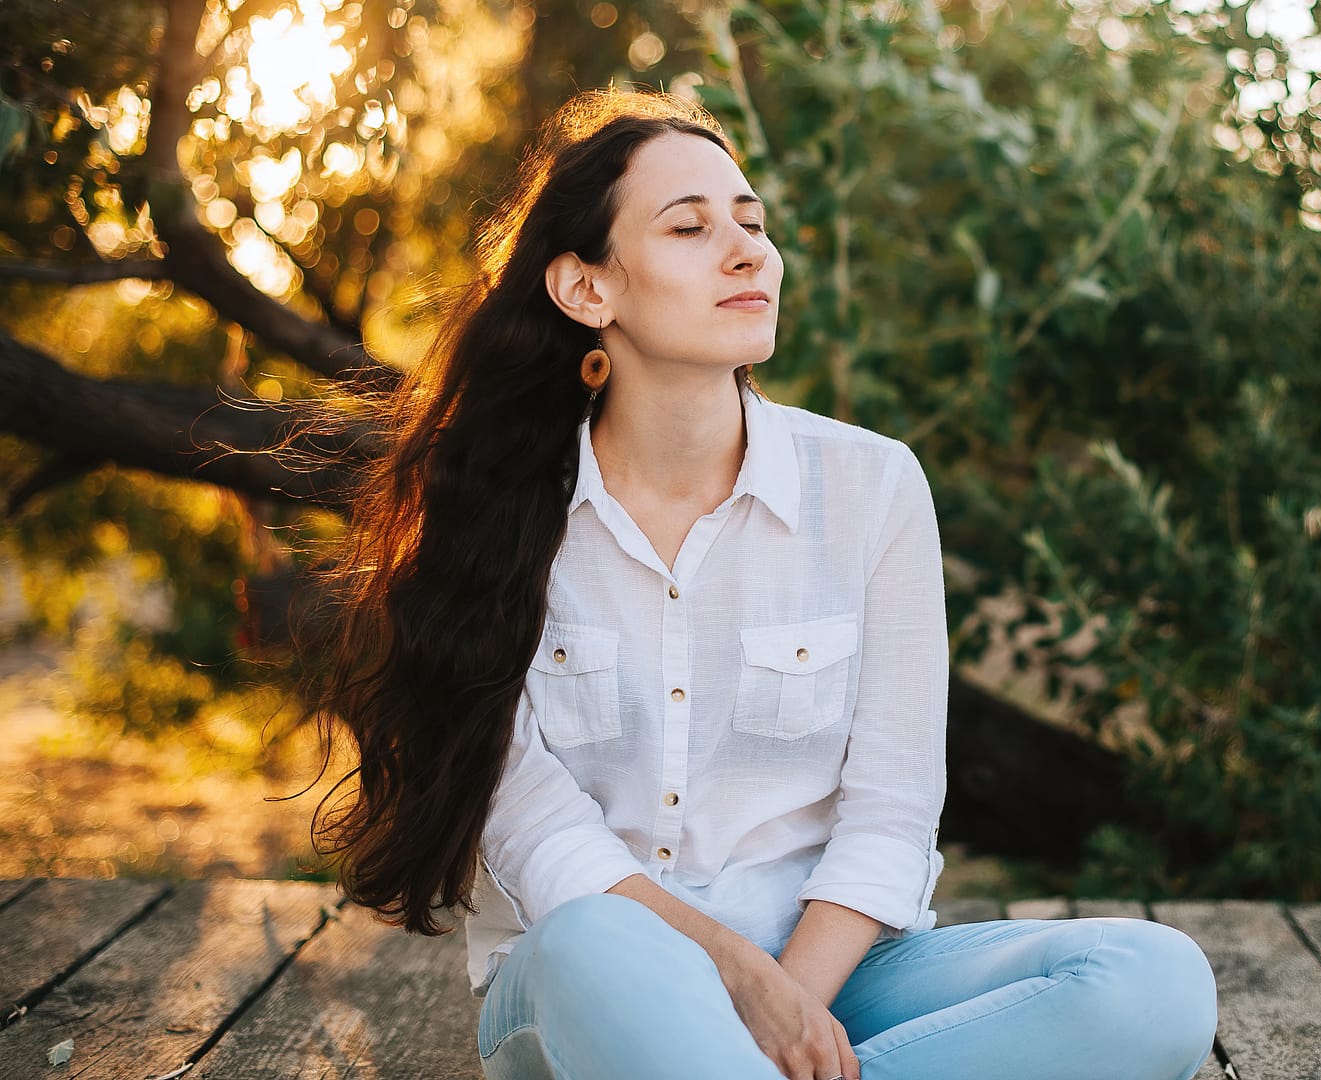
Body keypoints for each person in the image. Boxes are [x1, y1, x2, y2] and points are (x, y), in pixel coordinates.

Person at [299, 88, 1219, 1080]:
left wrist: (786, 1004)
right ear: (585, 290)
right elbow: (545, 844)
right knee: (593, 942)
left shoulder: (871, 486)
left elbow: (891, 816)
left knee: (1151, 978)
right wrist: (736, 981)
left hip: (832, 976)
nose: (749, 252)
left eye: (753, 222)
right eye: (690, 227)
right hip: (593, 982)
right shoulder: (493, 516)